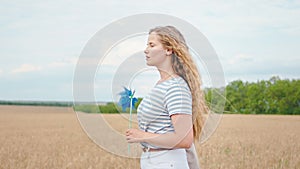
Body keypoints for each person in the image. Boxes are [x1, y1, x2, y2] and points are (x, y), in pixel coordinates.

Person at [126, 26, 208, 169]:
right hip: (154, 161)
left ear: (168, 50)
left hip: (167, 162)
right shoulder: (162, 84)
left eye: (152, 45)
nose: (146, 50)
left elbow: (184, 139)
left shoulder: (175, 87)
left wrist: (142, 136)